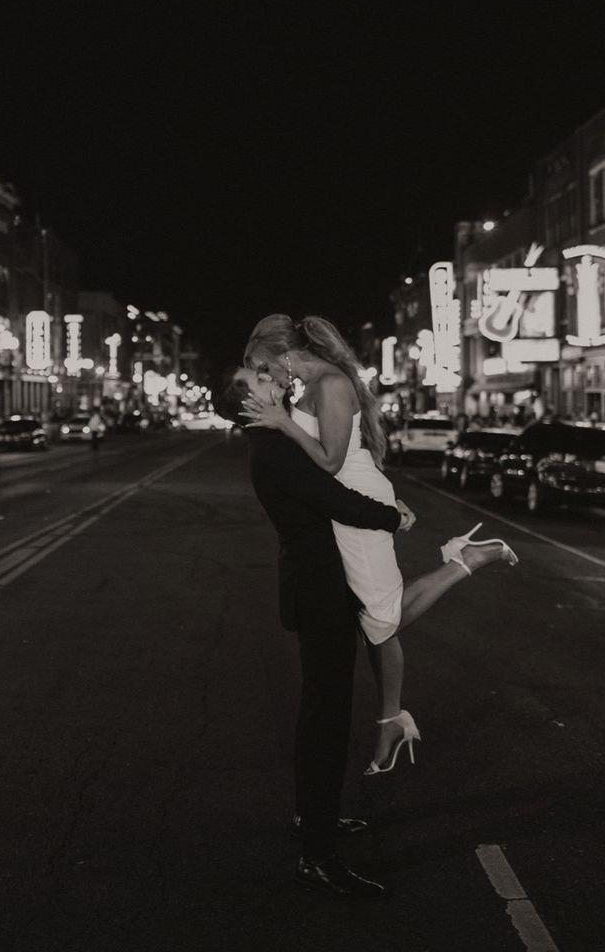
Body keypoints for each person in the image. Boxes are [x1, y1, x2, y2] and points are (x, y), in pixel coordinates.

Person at [214, 363, 516, 898]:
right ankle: (318, 857)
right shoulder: (275, 448)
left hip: (317, 590)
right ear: (248, 405)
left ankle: (316, 822)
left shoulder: (272, 443)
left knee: (320, 715)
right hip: (320, 596)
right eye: (259, 381)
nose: (270, 378)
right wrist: (392, 517)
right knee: (326, 722)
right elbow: (336, 500)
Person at [242, 314, 518, 776]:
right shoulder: (309, 387)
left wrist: (282, 424)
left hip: (353, 504)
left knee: (383, 615)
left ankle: (466, 560)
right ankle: (390, 720)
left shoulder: (329, 383)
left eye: (263, 367)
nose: (266, 378)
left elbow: (330, 463)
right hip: (346, 501)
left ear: (282, 354)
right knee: (371, 619)